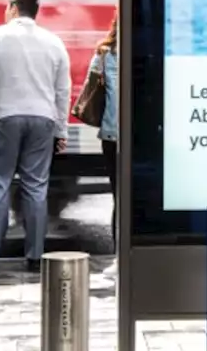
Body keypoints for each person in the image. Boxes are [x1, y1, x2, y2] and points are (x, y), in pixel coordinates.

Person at [0, 0, 71, 274]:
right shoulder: (54, 42)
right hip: (42, 121)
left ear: (12, 9)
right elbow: (63, 91)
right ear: (35, 12)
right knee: (36, 188)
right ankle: (36, 257)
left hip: (5, 118)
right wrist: (62, 130)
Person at [89, 17, 119, 277]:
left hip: (111, 136)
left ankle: (120, 257)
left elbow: (92, 87)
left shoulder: (104, 53)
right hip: (140, 137)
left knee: (119, 199)